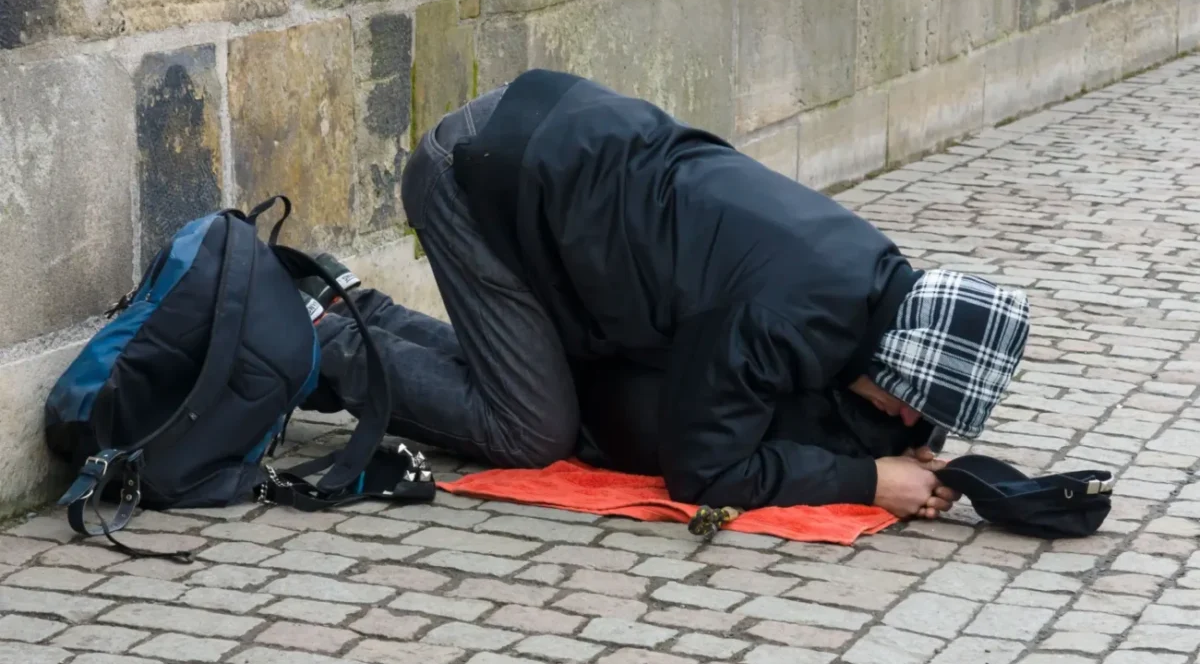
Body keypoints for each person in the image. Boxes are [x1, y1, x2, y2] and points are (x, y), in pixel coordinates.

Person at [298, 70, 1031, 521]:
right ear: (898, 354)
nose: (912, 421)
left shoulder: (874, 280)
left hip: (546, 147)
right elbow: (704, 469)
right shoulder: (779, 313)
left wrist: (909, 453)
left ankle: (355, 309)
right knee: (531, 430)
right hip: (478, 178)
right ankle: (312, 341)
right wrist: (868, 479)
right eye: (913, 404)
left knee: (528, 381)